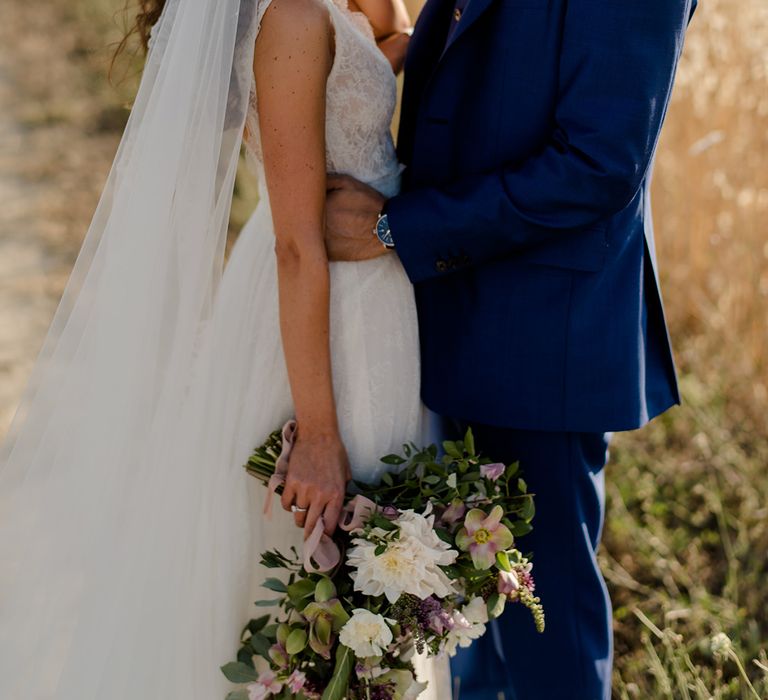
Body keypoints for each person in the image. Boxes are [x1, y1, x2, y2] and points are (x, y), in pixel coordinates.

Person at [0, 0, 449, 696]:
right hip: (329, 317)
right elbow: (298, 248)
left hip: (377, 307)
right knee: (322, 566)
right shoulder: (291, 19)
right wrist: (320, 435)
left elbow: (387, 36)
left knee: (378, 572)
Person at [324, 0, 699, 697]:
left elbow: (598, 164)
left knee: (543, 634)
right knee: (471, 625)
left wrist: (401, 229)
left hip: (541, 333)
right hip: (448, 307)